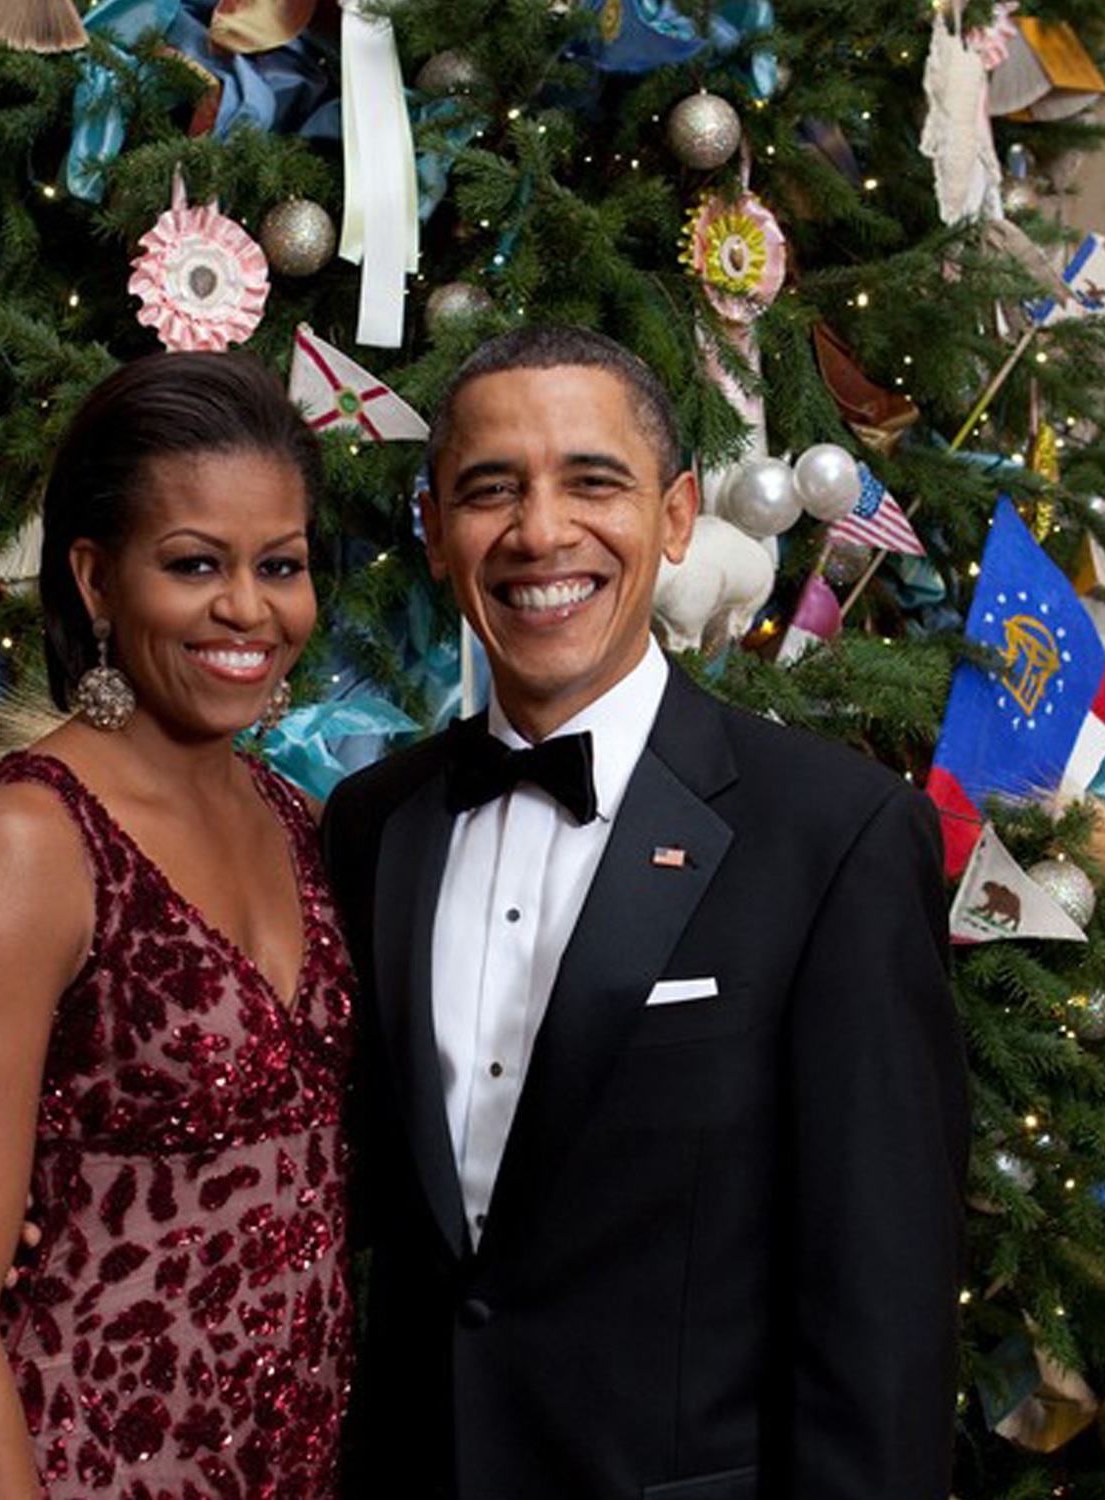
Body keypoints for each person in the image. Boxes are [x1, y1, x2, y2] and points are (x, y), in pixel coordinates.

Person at [321, 325, 968, 1500]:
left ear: (675, 517)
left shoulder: (835, 837)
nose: (539, 532)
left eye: (591, 481)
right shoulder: (372, 825)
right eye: (487, 490)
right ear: (432, 533)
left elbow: (881, 1313)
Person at [0, 351, 355, 1499]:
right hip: (76, 1463)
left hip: (289, 1465)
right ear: (95, 581)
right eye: (194, 564)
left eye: (278, 566)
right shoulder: (28, 844)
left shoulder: (299, 820)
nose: (247, 609)